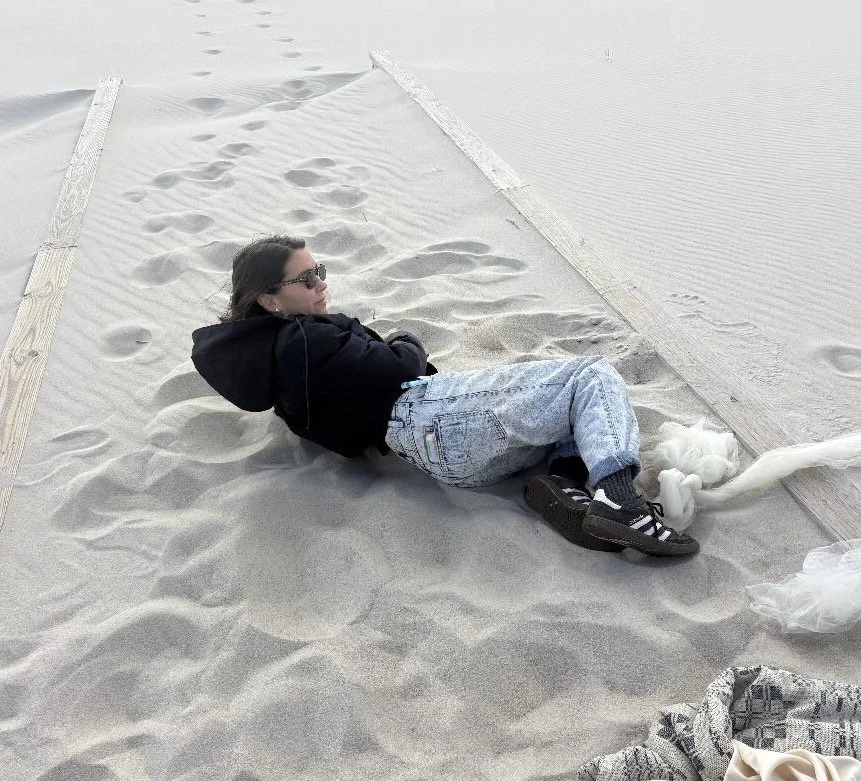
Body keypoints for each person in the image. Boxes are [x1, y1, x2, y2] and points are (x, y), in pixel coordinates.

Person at [191, 235, 699, 557]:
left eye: (320, 270)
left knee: (570, 414)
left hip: (443, 457)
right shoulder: (304, 339)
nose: (321, 284)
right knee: (591, 376)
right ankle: (619, 500)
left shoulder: (277, 361)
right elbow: (400, 364)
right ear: (269, 298)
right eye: (306, 279)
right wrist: (405, 340)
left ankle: (561, 486)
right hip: (428, 413)